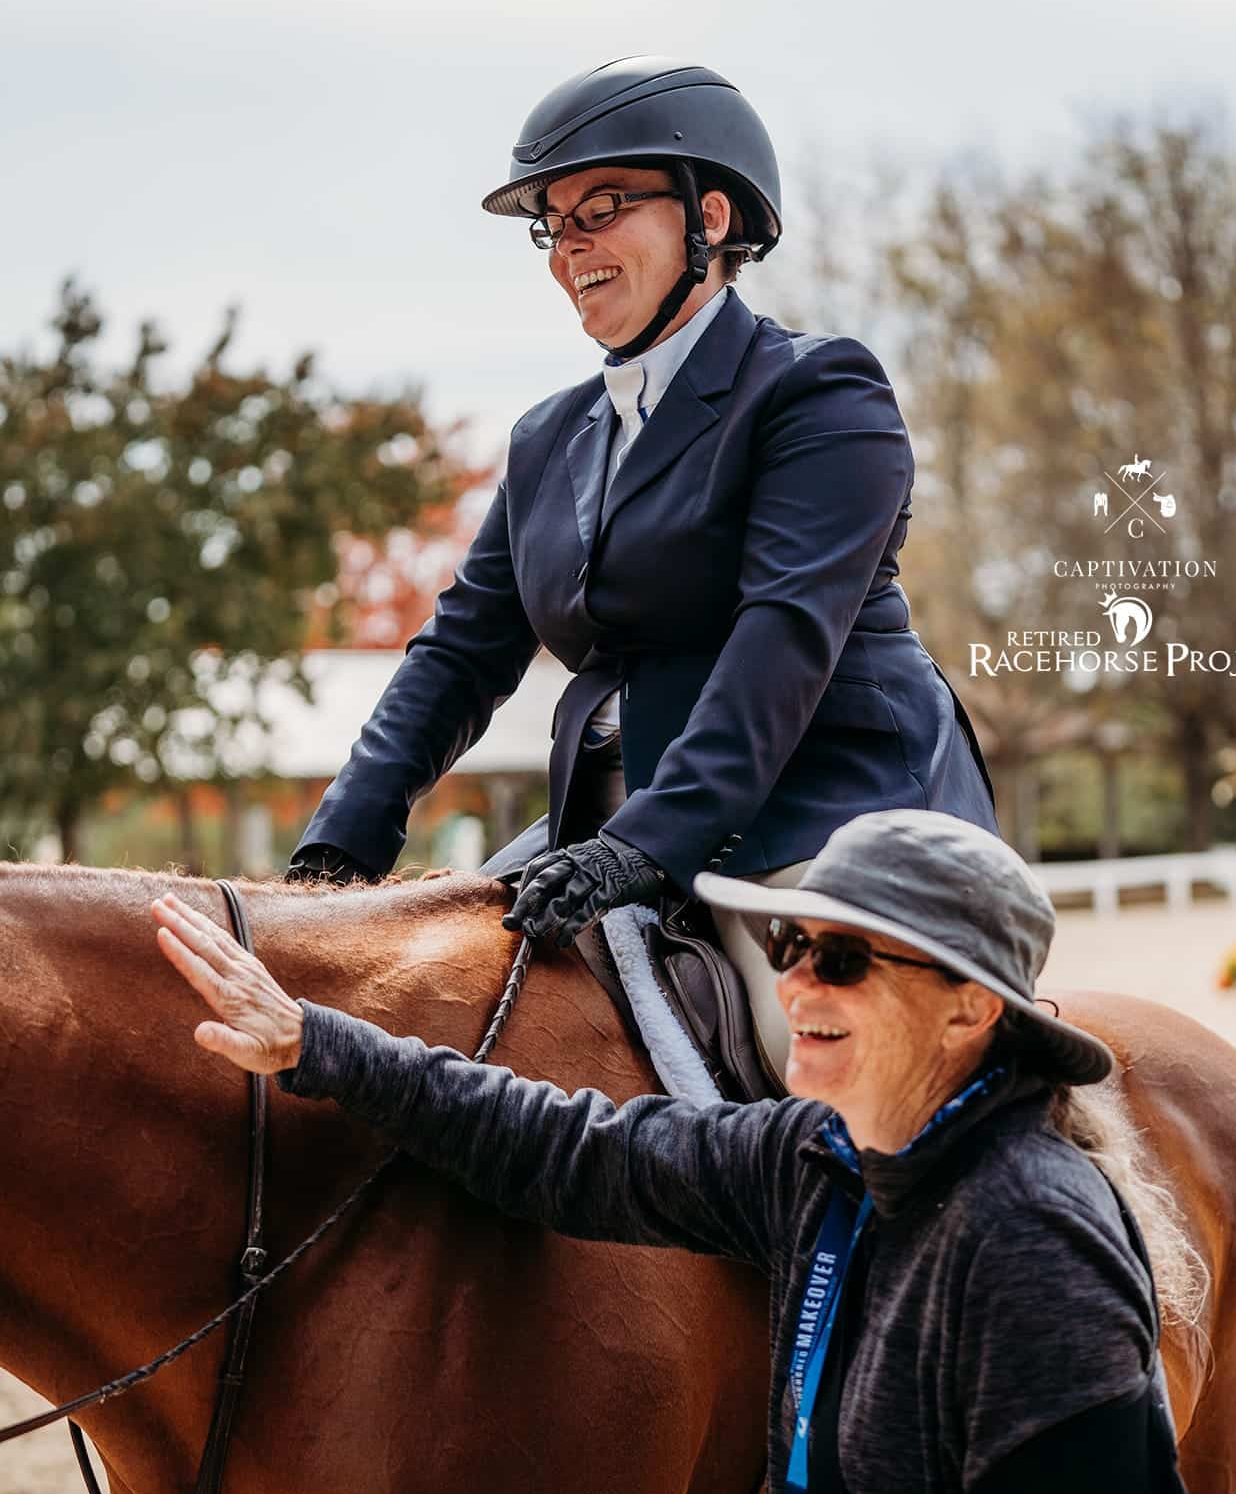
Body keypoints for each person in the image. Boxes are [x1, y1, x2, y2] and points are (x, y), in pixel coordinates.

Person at [153, 809, 1198, 1494]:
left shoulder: (1031, 1229)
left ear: (970, 1006)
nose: (796, 986)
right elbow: (571, 1146)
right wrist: (320, 1043)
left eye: (840, 957)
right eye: (789, 947)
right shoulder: (814, 1158)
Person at [287, 55, 996, 1076]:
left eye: (602, 208)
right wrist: (335, 858)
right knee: (429, 996)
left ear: (708, 217)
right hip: (612, 819)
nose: (569, 246)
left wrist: (643, 847)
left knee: (828, 1070)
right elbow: (457, 655)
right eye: (553, 223)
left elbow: (782, 642)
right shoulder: (548, 440)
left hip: (819, 813)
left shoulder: (820, 396)